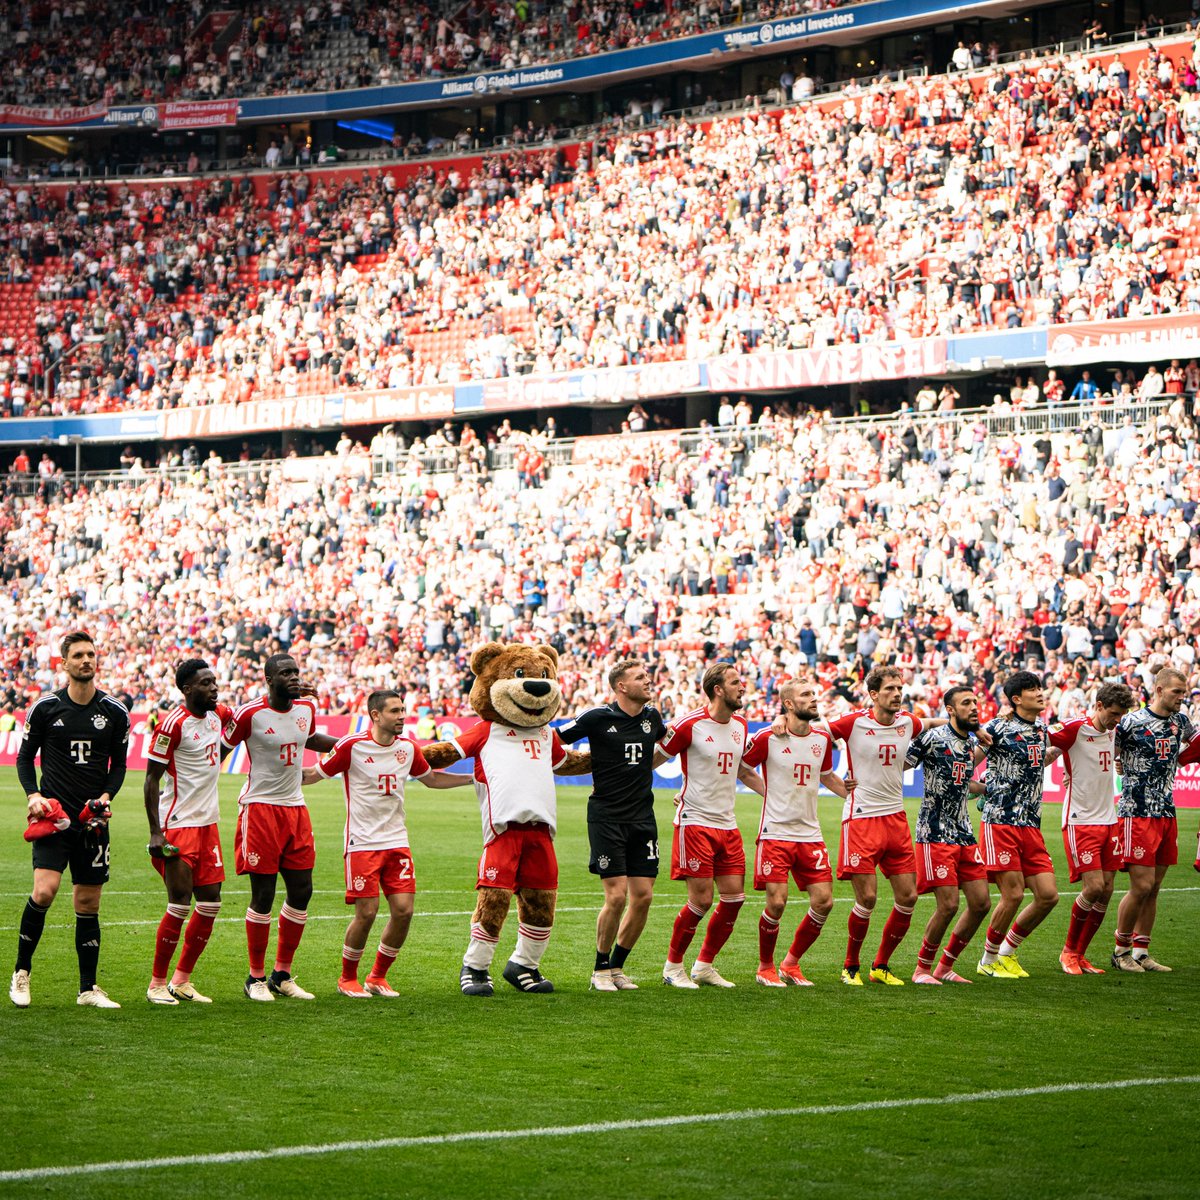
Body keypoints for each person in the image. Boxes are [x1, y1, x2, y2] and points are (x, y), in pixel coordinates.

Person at [302, 689, 470, 997]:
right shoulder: (351, 746)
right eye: (395, 711)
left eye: (403, 709)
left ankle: (377, 976)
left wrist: (472, 778)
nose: (402, 716)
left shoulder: (408, 747)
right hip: (362, 842)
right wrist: (274, 776)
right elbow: (314, 774)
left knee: (404, 911)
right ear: (376, 715)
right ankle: (347, 978)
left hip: (397, 841)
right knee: (366, 913)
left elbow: (431, 779)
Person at [11, 631, 130, 1009]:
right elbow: (24, 757)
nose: (85, 660)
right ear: (64, 664)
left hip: (92, 821)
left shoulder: (115, 712)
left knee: (88, 902)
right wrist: (34, 795)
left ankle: (87, 989)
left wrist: (106, 797)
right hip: (56, 818)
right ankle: (21, 972)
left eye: (91, 654)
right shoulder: (45, 708)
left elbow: (120, 765)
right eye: (77, 655)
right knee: (44, 891)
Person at [223, 654, 337, 1002]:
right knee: (264, 895)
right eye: (285, 673)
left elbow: (309, 738)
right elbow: (219, 750)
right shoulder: (250, 714)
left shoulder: (305, 709)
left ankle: (282, 975)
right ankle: (254, 977)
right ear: (268, 679)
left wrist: (350, 744)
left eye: (295, 672)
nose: (293, 677)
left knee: (302, 890)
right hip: (260, 809)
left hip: (296, 808)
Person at [557, 660, 669, 992]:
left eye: (646, 676)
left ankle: (617, 967)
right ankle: (599, 969)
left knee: (644, 897)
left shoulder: (653, 719)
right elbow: (556, 737)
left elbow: (670, 745)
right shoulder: (597, 718)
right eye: (639, 677)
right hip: (606, 817)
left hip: (643, 818)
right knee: (617, 896)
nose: (647, 681)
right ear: (621, 686)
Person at [739, 679, 850, 987]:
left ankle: (791, 963)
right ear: (788, 704)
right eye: (805, 695)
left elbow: (827, 776)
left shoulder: (822, 740)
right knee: (776, 902)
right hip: (775, 832)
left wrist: (854, 796)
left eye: (813, 694)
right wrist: (767, 791)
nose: (813, 699)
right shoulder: (767, 737)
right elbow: (742, 768)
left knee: (824, 902)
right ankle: (765, 967)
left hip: (810, 834)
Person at [827, 666, 926, 986]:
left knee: (908, 897)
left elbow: (932, 724)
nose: (897, 694)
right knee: (867, 899)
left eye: (900, 688)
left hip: (896, 819)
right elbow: (813, 736)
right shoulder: (853, 722)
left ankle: (880, 965)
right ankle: (850, 966)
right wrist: (831, 778)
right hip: (861, 819)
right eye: (890, 689)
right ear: (873, 695)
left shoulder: (907, 722)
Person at [142, 659, 232, 1004]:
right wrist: (155, 833)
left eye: (215, 682)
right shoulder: (172, 726)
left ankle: (182, 980)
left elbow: (241, 723)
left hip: (208, 824)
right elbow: (150, 779)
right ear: (187, 689)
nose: (214, 688)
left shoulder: (218, 715)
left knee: (210, 903)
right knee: (179, 904)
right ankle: (156, 984)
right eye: (206, 683)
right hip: (177, 825)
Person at [658, 663, 751, 989]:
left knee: (734, 899)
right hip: (695, 822)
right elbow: (655, 759)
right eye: (735, 683)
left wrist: (776, 795)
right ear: (718, 690)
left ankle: (704, 966)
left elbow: (744, 771)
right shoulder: (690, 724)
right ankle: (672, 967)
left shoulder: (740, 724)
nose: (743, 687)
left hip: (728, 824)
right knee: (701, 900)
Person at [976, 670, 1061, 979]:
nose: (1040, 693)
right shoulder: (997, 727)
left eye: (1040, 688)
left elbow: (1038, 758)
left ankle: (1008, 951)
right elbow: (971, 758)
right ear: (1016, 699)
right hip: (1000, 821)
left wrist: (1063, 749)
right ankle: (987, 960)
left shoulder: (1042, 729)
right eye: (1032, 690)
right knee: (1012, 895)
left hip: (1030, 824)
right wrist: (982, 783)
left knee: (1048, 895)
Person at [905, 686, 990, 985]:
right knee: (949, 904)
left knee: (981, 903)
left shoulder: (969, 744)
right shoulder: (931, 738)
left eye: (975, 702)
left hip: (964, 832)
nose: (974, 707)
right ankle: (922, 969)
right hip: (935, 832)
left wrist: (987, 788)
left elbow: (963, 783)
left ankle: (945, 966)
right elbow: (899, 765)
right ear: (950, 710)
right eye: (966, 703)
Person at [1111, 668, 1195, 972]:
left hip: (1166, 811)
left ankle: (1142, 951)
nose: (1181, 699)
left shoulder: (1180, 721)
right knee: (1141, 885)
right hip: (1137, 812)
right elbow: (1108, 753)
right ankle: (1120, 951)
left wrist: (1183, 758)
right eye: (1176, 692)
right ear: (1158, 690)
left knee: (1155, 886)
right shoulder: (1131, 722)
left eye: (1184, 693)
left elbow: (1197, 742)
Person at [1050, 682, 1135, 975]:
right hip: (1081, 820)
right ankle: (1067, 952)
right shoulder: (1075, 728)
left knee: (1108, 889)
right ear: (1098, 705)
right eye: (1113, 713)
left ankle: (1081, 954)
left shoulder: (1115, 731)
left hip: (1109, 819)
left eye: (1121, 715)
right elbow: (1044, 740)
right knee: (1094, 886)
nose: (1117, 720)